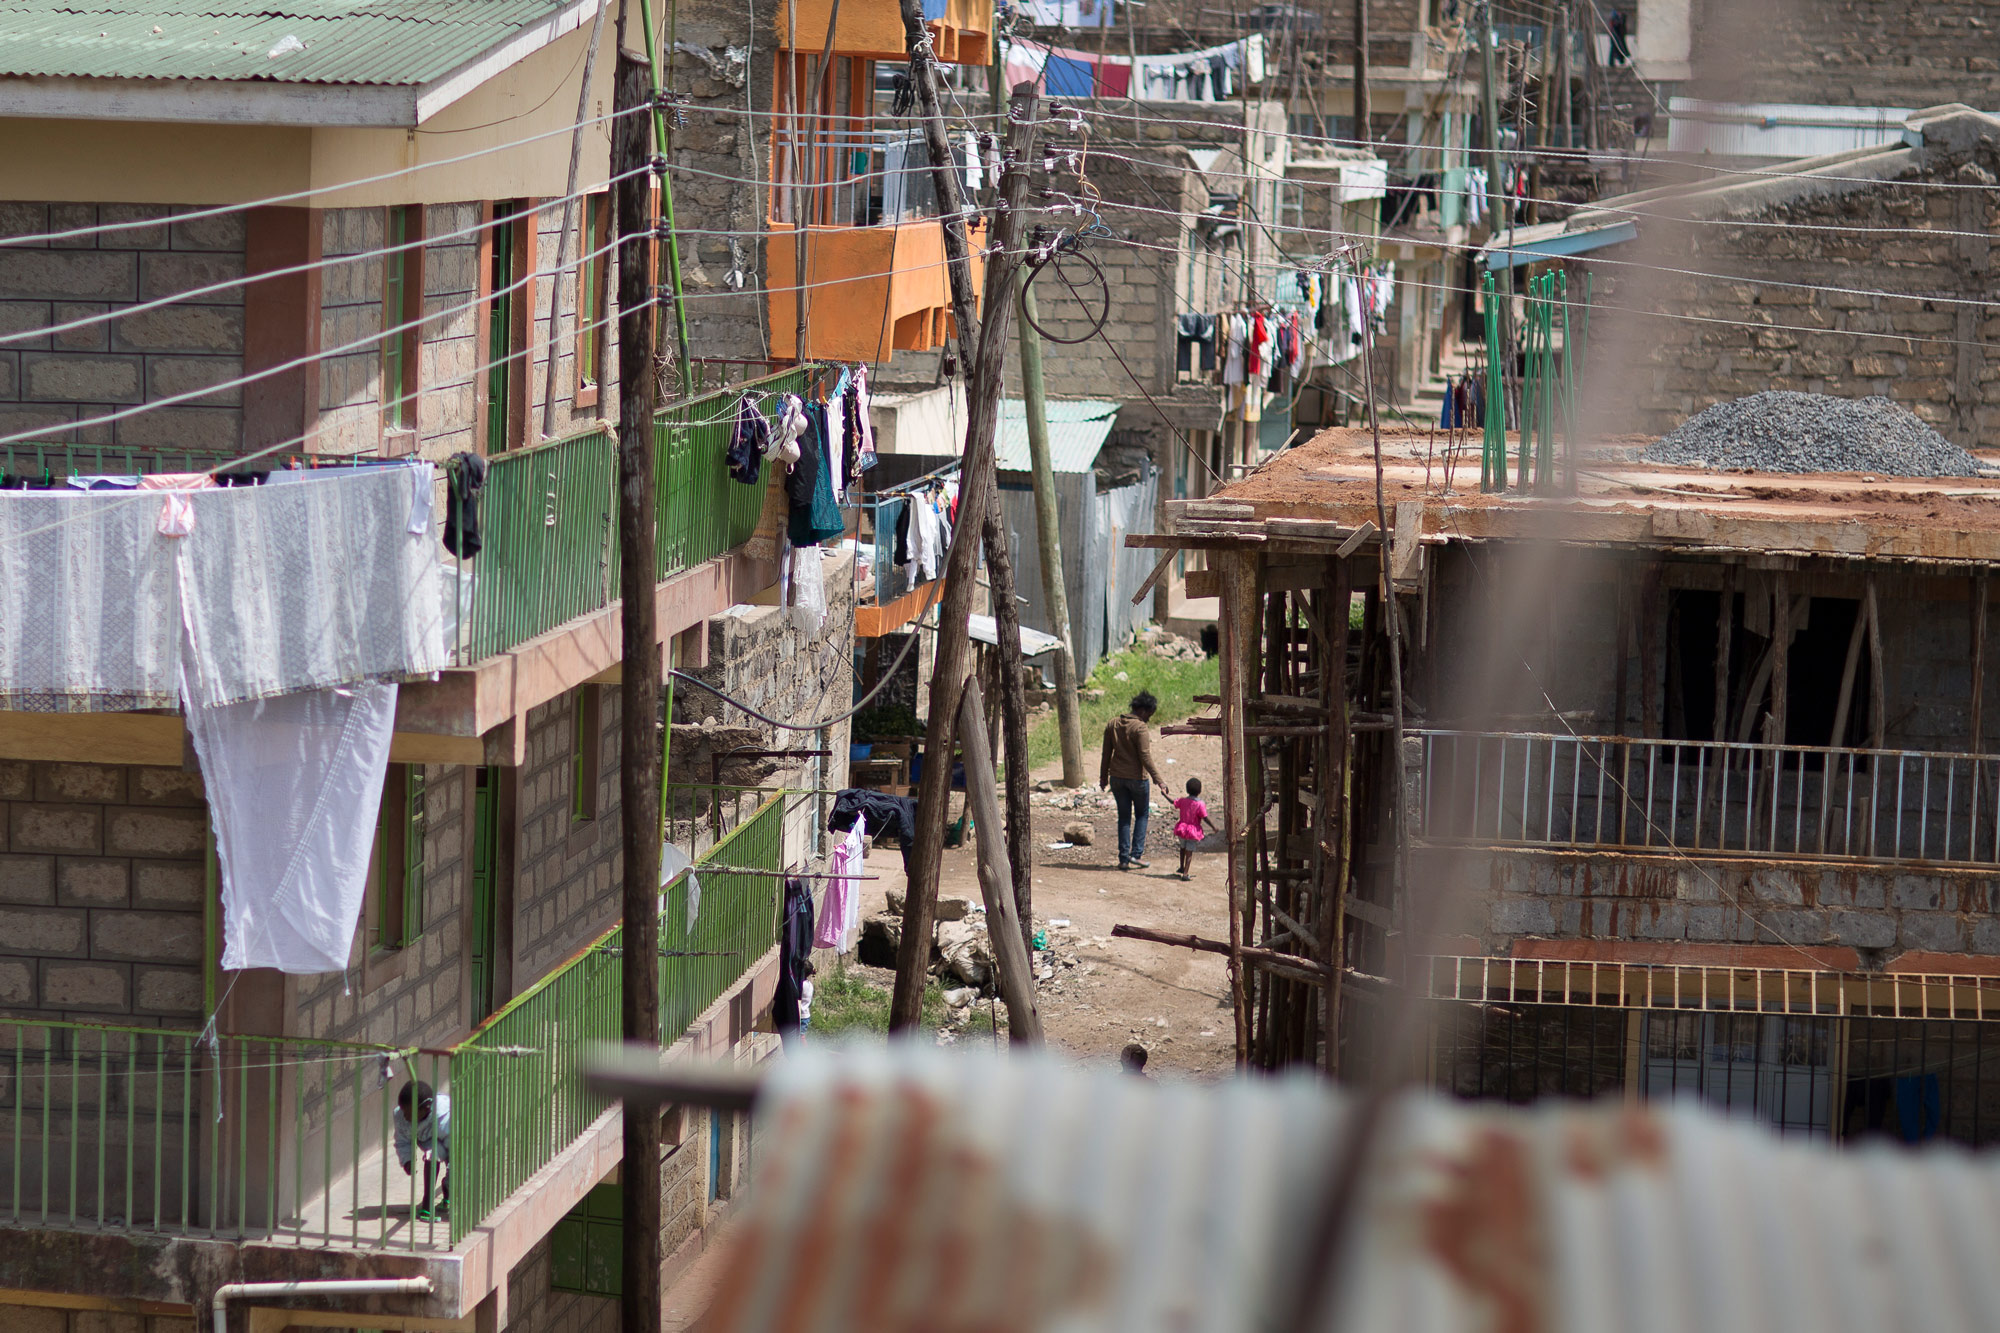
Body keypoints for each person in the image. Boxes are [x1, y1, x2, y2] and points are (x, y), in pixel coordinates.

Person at [1100, 690, 1170, 871]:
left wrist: (1103, 778)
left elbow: (1106, 753)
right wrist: (1159, 781)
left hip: (1116, 778)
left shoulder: (1112, 724)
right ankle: (1135, 855)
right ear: (1144, 710)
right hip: (1137, 780)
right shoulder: (1140, 728)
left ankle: (1123, 859)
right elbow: (1145, 756)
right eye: (1150, 714)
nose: (1149, 719)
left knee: (1123, 818)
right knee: (1142, 815)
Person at [394, 1080, 451, 1221]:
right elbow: (402, 1141)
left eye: (409, 1113)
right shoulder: (401, 1117)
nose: (405, 1116)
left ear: (426, 1108)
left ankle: (448, 1188)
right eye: (403, 1110)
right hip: (430, 1141)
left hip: (451, 1140)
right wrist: (407, 1160)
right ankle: (427, 1203)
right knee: (431, 1156)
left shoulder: (444, 1116)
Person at [1172, 777, 1217, 881]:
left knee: (1182, 848)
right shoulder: (1200, 804)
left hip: (1181, 829)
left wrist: (1165, 794)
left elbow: (1173, 802)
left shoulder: (1183, 801)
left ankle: (1181, 867)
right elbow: (1204, 818)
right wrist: (1214, 827)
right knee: (1189, 853)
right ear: (1200, 791)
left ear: (1187, 790)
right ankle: (1186, 873)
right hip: (1192, 832)